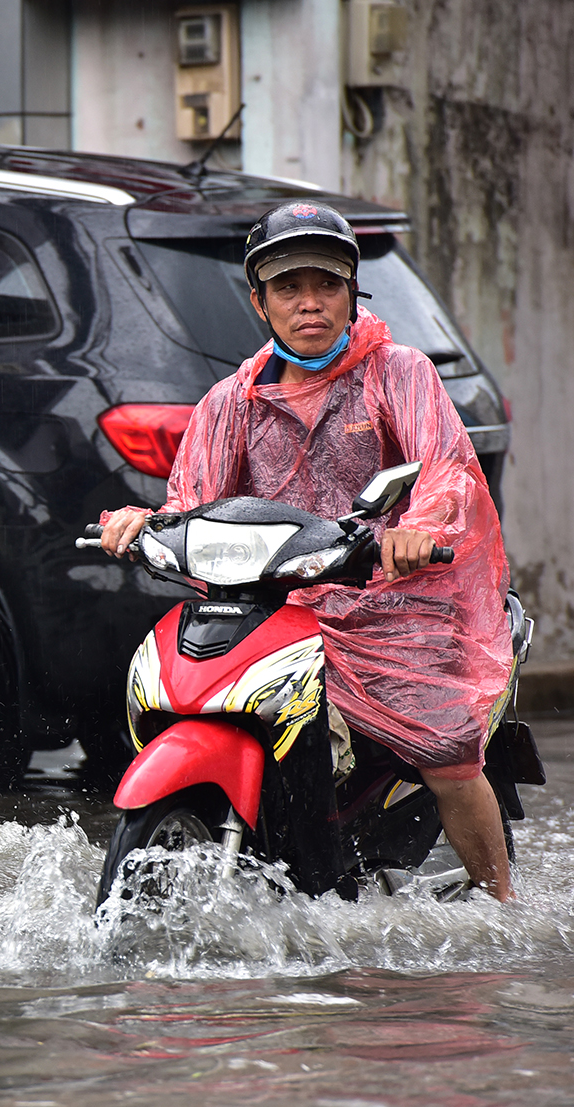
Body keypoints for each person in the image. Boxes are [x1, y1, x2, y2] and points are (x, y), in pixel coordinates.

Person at [96, 201, 517, 900]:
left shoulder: (398, 373)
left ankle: (502, 905)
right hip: (280, 608)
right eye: (289, 288)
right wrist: (143, 523)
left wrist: (422, 529)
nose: (310, 303)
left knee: (445, 754)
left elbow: (444, 469)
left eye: (327, 284)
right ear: (261, 303)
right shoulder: (233, 399)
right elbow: (189, 500)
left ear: (353, 293)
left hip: (394, 604)